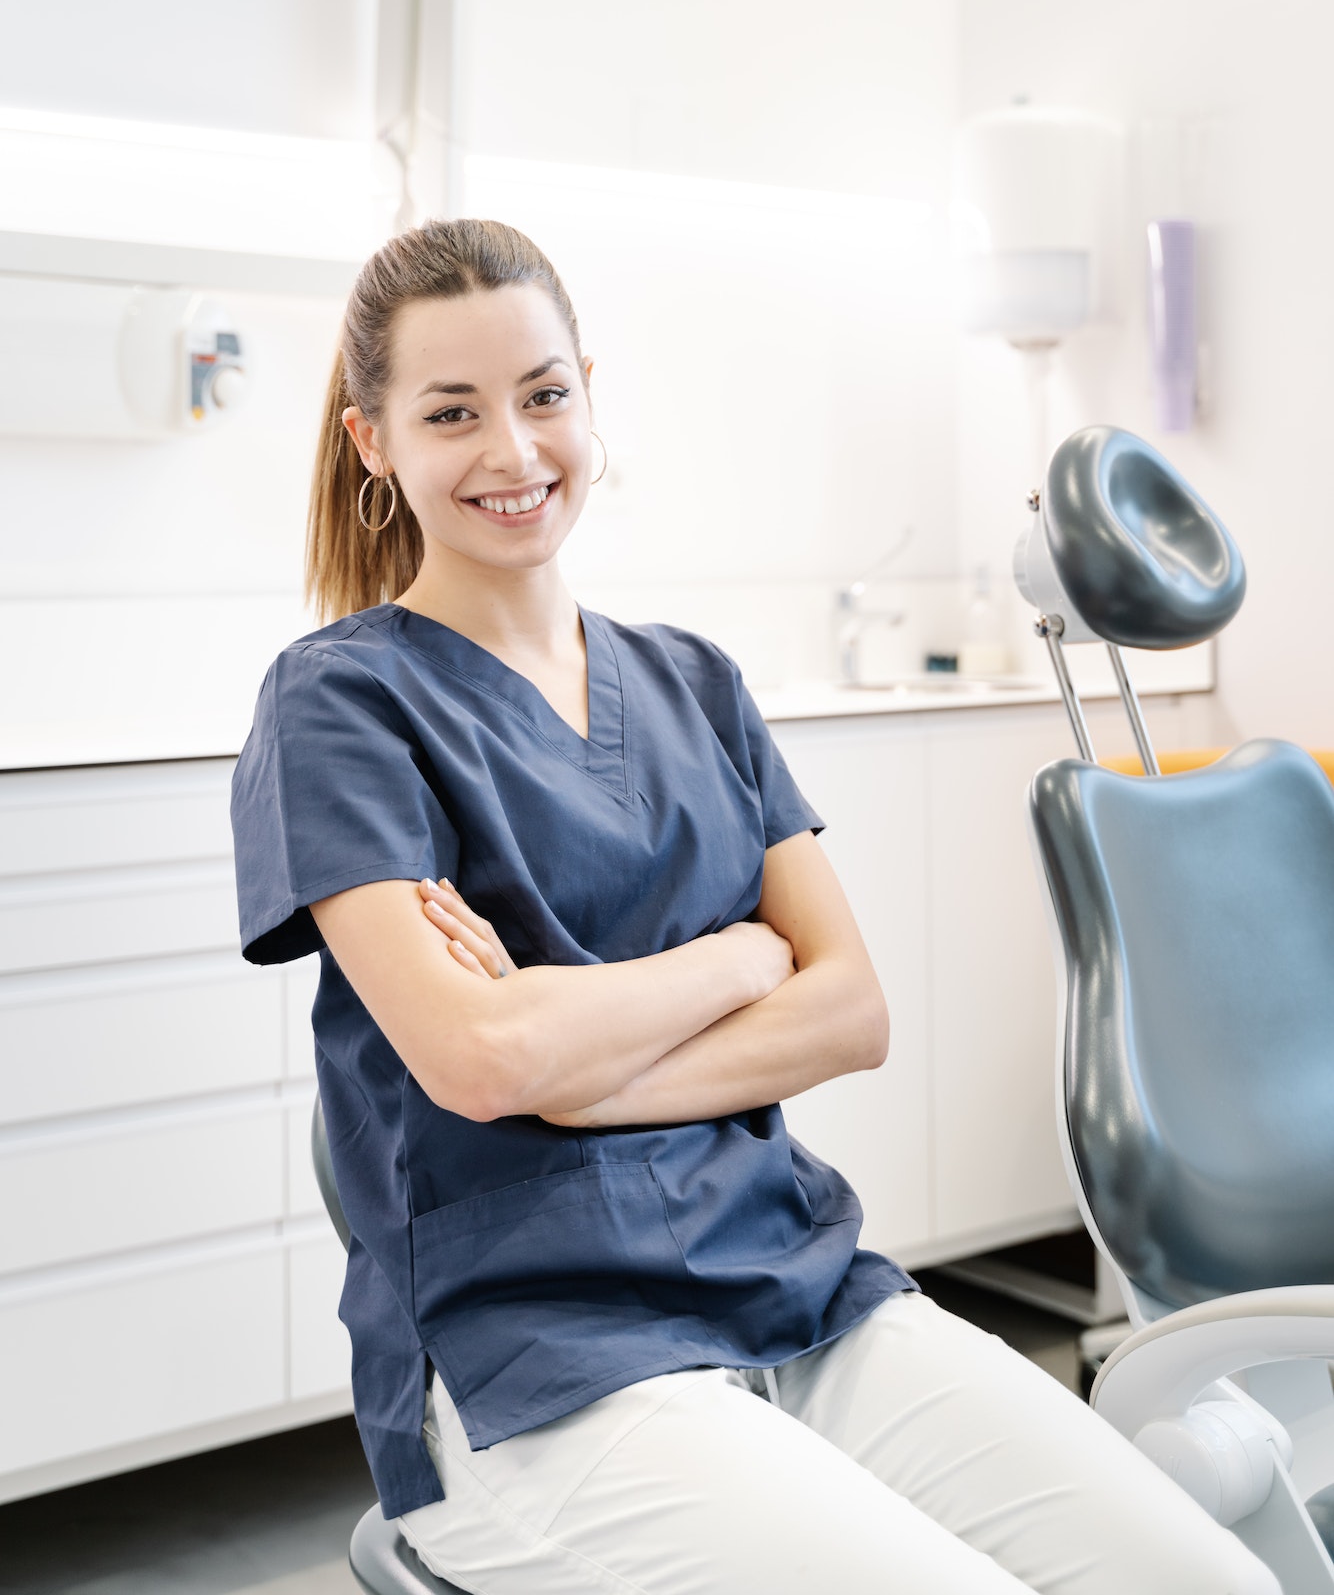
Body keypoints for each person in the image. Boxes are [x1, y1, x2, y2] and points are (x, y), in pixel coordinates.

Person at [231, 219, 1275, 1595]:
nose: (514, 451)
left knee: (1213, 1583)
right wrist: (737, 956)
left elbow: (847, 1012)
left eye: (544, 395)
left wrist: (577, 1064)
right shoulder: (342, 704)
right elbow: (478, 1059)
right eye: (451, 414)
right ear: (375, 445)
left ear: (589, 394)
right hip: (537, 1362)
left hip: (797, 1286)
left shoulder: (693, 682)